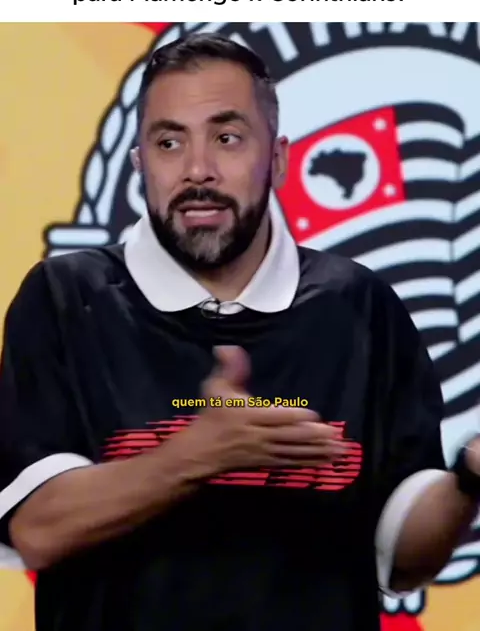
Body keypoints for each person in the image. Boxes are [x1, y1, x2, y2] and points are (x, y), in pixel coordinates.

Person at [1, 33, 480, 631]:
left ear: (277, 158)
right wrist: (197, 456)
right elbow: (38, 530)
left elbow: (403, 561)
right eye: (169, 142)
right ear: (140, 164)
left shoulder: (360, 306)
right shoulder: (65, 297)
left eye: (227, 138)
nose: (197, 170)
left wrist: (468, 479)